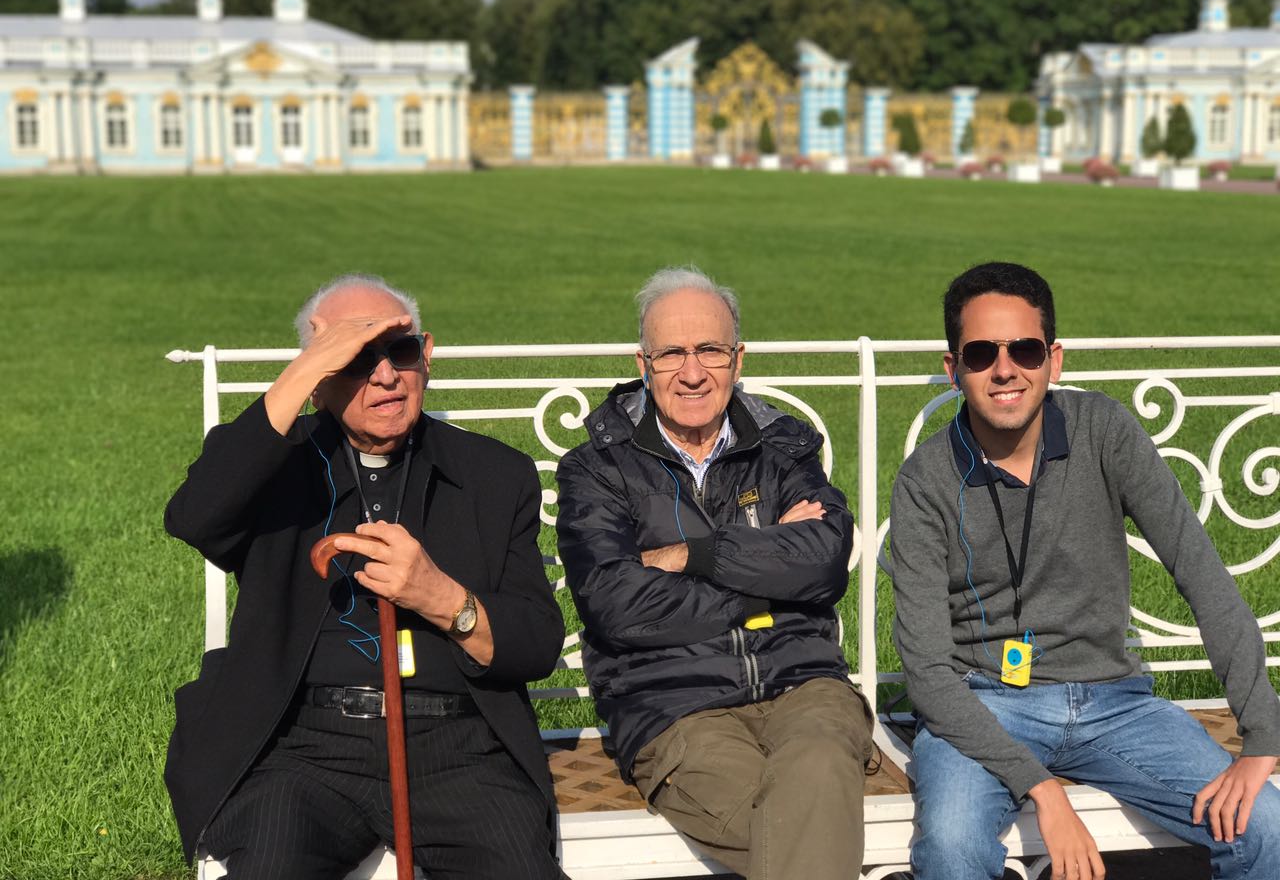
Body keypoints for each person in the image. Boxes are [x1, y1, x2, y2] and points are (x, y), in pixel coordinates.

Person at [164, 273, 564, 880]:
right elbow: (192, 516)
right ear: (320, 380)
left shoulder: (493, 475)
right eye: (354, 359)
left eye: (399, 352)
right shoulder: (275, 467)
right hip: (300, 750)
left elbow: (535, 644)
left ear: (425, 357)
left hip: (459, 750)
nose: (384, 376)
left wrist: (440, 596)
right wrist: (304, 369)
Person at [889, 261, 1280, 880]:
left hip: (1116, 704)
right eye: (981, 353)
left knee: (1268, 830)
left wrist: (1262, 735)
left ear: (1054, 359)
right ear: (953, 367)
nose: (1005, 369)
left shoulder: (1104, 431)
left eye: (1025, 349)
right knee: (951, 849)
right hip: (983, 704)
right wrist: (1044, 791)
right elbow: (928, 672)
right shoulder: (925, 480)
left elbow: (1202, 575)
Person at [555, 266, 873, 880]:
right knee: (799, 826)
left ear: (738, 358)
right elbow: (616, 604)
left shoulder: (782, 447)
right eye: (672, 353)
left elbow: (825, 559)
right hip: (674, 706)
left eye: (710, 350)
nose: (693, 371)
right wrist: (767, 583)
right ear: (643, 363)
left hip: (806, 687)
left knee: (816, 770)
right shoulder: (597, 467)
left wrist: (692, 555)